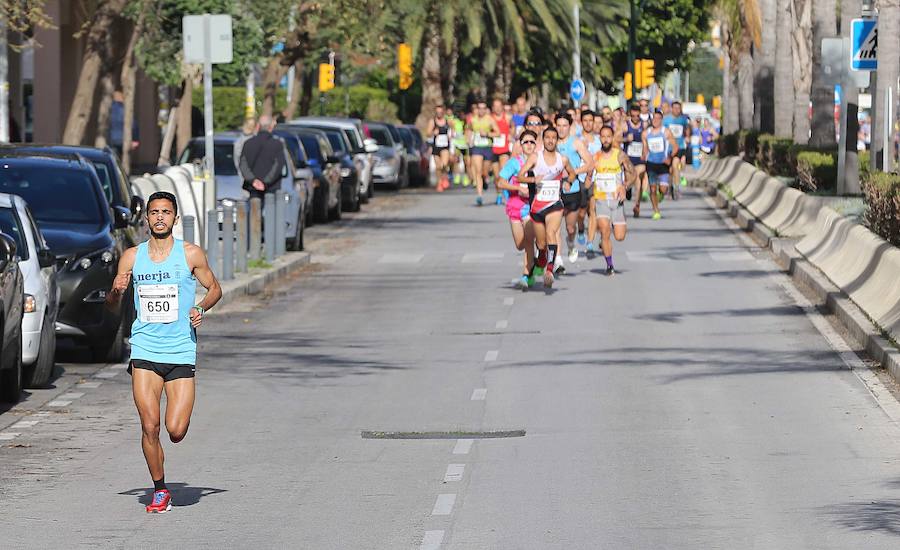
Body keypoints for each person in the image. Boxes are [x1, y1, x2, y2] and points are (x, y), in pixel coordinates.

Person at [107, 191, 222, 514]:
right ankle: (160, 490)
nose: (159, 217)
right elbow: (112, 307)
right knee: (150, 426)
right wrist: (115, 291)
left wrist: (200, 307)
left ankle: (165, 476)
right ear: (147, 218)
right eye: (154, 212)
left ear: (174, 217)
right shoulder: (131, 257)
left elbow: (215, 289)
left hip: (181, 350)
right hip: (144, 348)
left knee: (176, 430)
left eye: (166, 212)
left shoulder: (190, 255)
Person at [517, 124, 577, 289]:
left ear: (557, 140)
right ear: (543, 140)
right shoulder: (535, 158)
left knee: (552, 233)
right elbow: (520, 176)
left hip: (554, 204)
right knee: (541, 245)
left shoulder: (562, 159)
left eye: (553, 138)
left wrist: (568, 182)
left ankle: (549, 271)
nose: (550, 141)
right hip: (537, 207)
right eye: (547, 138)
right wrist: (532, 180)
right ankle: (542, 260)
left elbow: (572, 173)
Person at [496, 130, 539, 289]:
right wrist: (518, 188)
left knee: (529, 240)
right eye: (525, 142)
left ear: (536, 144)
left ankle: (526, 274)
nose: (528, 145)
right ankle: (532, 262)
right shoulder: (514, 163)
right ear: (521, 146)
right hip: (515, 207)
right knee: (520, 244)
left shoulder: (539, 162)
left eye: (532, 142)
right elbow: (500, 183)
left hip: (532, 208)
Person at [590, 125, 634, 275]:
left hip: (617, 201)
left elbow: (633, 174)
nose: (606, 139)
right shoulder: (595, 157)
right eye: (603, 136)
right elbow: (589, 178)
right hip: (601, 200)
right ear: (600, 138)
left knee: (620, 236)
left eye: (609, 136)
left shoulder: (619, 155)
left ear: (612, 137)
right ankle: (609, 265)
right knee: (604, 231)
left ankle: (615, 228)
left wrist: (625, 185)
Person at [554, 112, 593, 266]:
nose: (561, 129)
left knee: (570, 227)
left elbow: (590, 163)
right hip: (555, 190)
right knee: (554, 227)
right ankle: (558, 261)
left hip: (573, 189)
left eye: (565, 125)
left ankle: (571, 243)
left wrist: (573, 172)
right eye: (559, 125)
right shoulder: (551, 142)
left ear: (569, 127)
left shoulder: (576, 142)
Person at [238, 114, 286, 200]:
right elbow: (278, 166)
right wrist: (265, 182)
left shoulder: (248, 143)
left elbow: (243, 165)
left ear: (258, 126)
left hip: (252, 189)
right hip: (271, 189)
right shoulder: (277, 144)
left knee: (253, 211)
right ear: (271, 127)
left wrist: (253, 181)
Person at [642, 110, 678, 220]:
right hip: (651, 163)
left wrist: (669, 158)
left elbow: (675, 147)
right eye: (654, 118)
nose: (655, 121)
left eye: (658, 119)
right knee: (652, 189)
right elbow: (645, 148)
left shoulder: (666, 132)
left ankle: (661, 195)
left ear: (661, 120)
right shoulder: (645, 133)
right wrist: (643, 157)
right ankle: (656, 211)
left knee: (663, 189)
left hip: (663, 164)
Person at [467, 99, 501, 206]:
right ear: (476, 109)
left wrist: (487, 134)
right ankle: (479, 196)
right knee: (477, 170)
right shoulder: (472, 120)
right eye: (479, 108)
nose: (481, 110)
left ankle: (485, 178)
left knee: (484, 172)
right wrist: (468, 139)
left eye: (483, 108)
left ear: (486, 110)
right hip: (477, 147)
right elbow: (468, 130)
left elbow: (498, 133)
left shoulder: (490, 120)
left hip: (487, 147)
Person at [579, 109, 603, 258]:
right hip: (580, 179)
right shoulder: (577, 140)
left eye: (590, 120)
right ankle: (580, 229)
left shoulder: (600, 141)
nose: (588, 123)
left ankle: (590, 242)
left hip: (596, 179)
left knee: (593, 210)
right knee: (581, 213)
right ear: (581, 122)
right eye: (585, 121)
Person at [623, 104, 648, 217]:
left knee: (638, 180)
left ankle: (637, 205)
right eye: (633, 116)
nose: (635, 118)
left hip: (640, 159)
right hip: (628, 159)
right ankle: (628, 190)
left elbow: (647, 140)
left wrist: (645, 152)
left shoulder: (644, 125)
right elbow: (616, 138)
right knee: (630, 181)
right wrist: (626, 139)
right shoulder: (625, 125)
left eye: (637, 116)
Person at [664, 101, 691, 192]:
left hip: (679, 146)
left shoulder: (683, 120)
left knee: (676, 165)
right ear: (671, 109)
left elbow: (687, 129)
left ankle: (676, 186)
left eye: (678, 108)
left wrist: (687, 137)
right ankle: (671, 184)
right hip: (668, 148)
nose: (676, 110)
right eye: (674, 108)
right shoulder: (666, 120)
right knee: (670, 169)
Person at [490, 98, 514, 205]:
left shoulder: (507, 117)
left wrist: (511, 134)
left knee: (503, 173)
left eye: (499, 106)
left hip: (504, 149)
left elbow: (513, 126)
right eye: (495, 106)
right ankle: (499, 193)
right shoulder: (490, 118)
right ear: (493, 108)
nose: (497, 108)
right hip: (493, 148)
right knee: (496, 175)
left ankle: (506, 193)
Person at [427, 105, 453, 192]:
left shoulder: (447, 121)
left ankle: (445, 177)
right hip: (436, 146)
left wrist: (451, 135)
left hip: (445, 146)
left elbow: (453, 130)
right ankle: (439, 183)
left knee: (444, 164)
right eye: (437, 112)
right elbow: (428, 133)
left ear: (443, 112)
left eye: (440, 112)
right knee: (438, 167)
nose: (439, 114)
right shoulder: (432, 121)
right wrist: (433, 132)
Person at [109, 90, 140, 158]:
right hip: (124, 139)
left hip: (110, 140)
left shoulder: (109, 110)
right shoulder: (126, 110)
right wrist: (135, 140)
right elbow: (134, 126)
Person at [447, 106, 469, 186]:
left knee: (466, 162)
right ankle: (457, 176)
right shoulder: (455, 121)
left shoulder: (467, 122)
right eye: (461, 114)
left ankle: (466, 177)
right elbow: (451, 129)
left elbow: (469, 132)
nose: (462, 116)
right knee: (456, 161)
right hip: (457, 144)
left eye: (464, 115)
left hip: (465, 145)